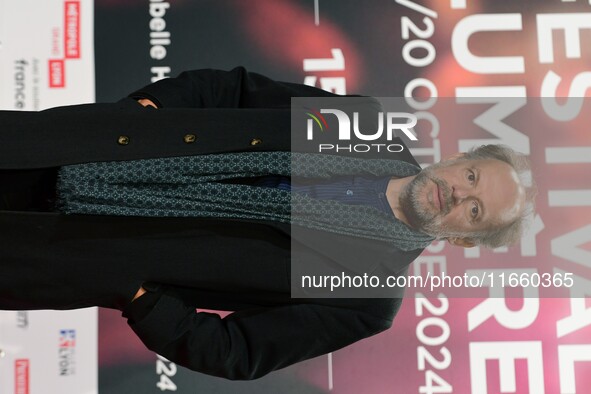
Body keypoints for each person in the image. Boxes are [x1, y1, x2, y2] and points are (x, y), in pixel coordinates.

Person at [0, 67, 535, 380]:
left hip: (69, 251)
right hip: (73, 148)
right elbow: (234, 90)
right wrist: (148, 109)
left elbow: (237, 352)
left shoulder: (367, 299)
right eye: (471, 175)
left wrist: (135, 290)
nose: (458, 192)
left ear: (463, 236)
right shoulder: (363, 124)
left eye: (474, 209)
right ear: (458, 157)